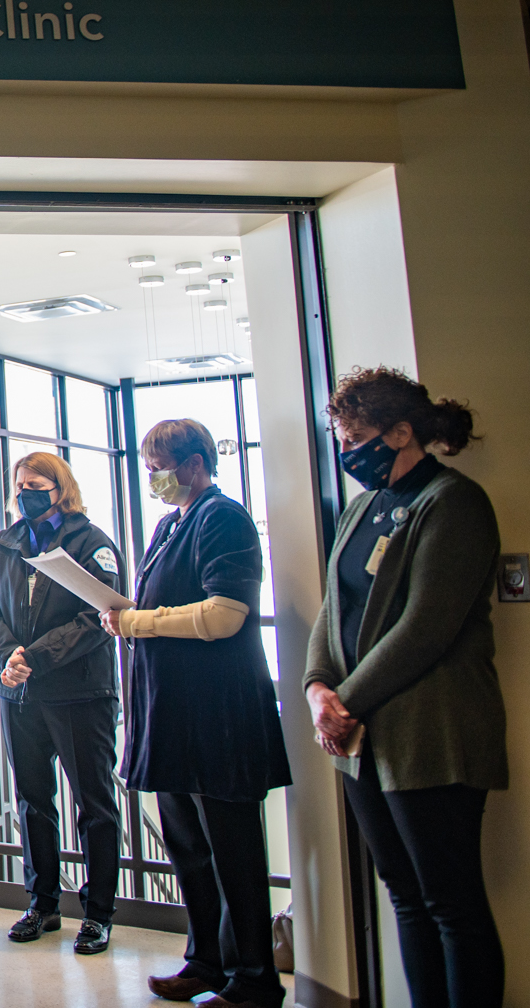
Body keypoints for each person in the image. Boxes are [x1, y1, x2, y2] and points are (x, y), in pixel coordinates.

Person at [305, 368, 505, 1008]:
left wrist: (344, 703)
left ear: (400, 432)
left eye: (356, 438)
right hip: (362, 737)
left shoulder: (453, 502)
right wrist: (317, 689)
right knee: (405, 896)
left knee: (451, 903)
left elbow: (426, 627)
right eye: (342, 438)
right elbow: (333, 609)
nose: (347, 452)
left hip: (433, 731)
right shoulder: (362, 508)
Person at [102, 419, 290, 1008]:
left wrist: (137, 622)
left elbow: (225, 614)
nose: (154, 479)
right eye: (148, 468)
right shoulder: (170, 524)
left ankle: (253, 980)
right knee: (190, 851)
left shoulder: (223, 518)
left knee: (234, 856)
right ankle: (206, 961)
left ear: (196, 463)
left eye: (161, 467)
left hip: (218, 717)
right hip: (173, 717)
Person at [0, 451, 123, 955]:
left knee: (94, 805)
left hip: (79, 692)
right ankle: (42, 904)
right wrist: (9, 656)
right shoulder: (6, 543)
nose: (25, 495)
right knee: (33, 801)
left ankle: (98, 913)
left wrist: (33, 656)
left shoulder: (92, 542)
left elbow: (99, 616)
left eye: (36, 486)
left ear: (61, 489)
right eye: (20, 486)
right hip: (19, 691)